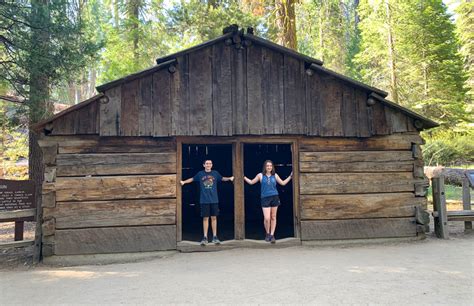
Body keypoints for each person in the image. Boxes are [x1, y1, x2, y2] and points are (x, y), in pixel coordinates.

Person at [181, 159, 234, 246]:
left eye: (210, 163)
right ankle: (205, 237)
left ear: (212, 165)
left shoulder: (215, 173)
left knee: (214, 218)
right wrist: (184, 182)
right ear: (204, 165)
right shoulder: (200, 174)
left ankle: (214, 236)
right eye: (207, 163)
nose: (208, 165)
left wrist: (230, 178)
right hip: (204, 200)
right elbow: (192, 179)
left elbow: (222, 178)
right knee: (205, 218)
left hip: (214, 200)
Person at [244, 160, 292, 244]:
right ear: (265, 167)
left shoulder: (275, 175)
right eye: (267, 166)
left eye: (270, 166)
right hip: (265, 198)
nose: (269, 167)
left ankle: (272, 235)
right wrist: (243, 177)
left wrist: (290, 176)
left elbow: (283, 183)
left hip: (274, 197)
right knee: (267, 218)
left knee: (273, 217)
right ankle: (267, 233)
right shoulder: (260, 175)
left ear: (272, 167)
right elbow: (251, 182)